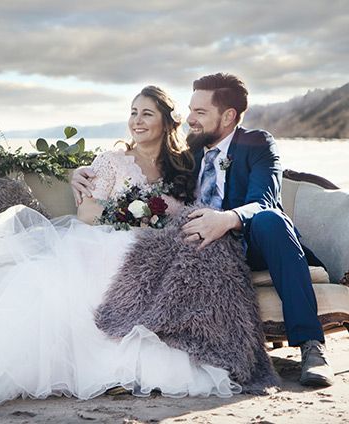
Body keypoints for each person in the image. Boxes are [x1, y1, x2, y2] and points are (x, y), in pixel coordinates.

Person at [0, 86, 242, 414]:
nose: (137, 121)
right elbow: (88, 214)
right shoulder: (111, 161)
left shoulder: (183, 164)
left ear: (165, 121)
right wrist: (128, 215)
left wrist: (157, 220)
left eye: (147, 113)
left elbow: (191, 207)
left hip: (156, 242)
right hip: (105, 234)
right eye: (132, 113)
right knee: (105, 257)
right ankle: (103, 368)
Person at [71, 73, 335, 387]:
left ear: (228, 116)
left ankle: (312, 347)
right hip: (200, 247)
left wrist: (226, 220)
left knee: (271, 219)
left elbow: (264, 201)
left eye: (200, 112)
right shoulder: (186, 153)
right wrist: (78, 172)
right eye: (190, 110)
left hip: (253, 242)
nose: (190, 119)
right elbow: (141, 171)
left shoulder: (257, 143)